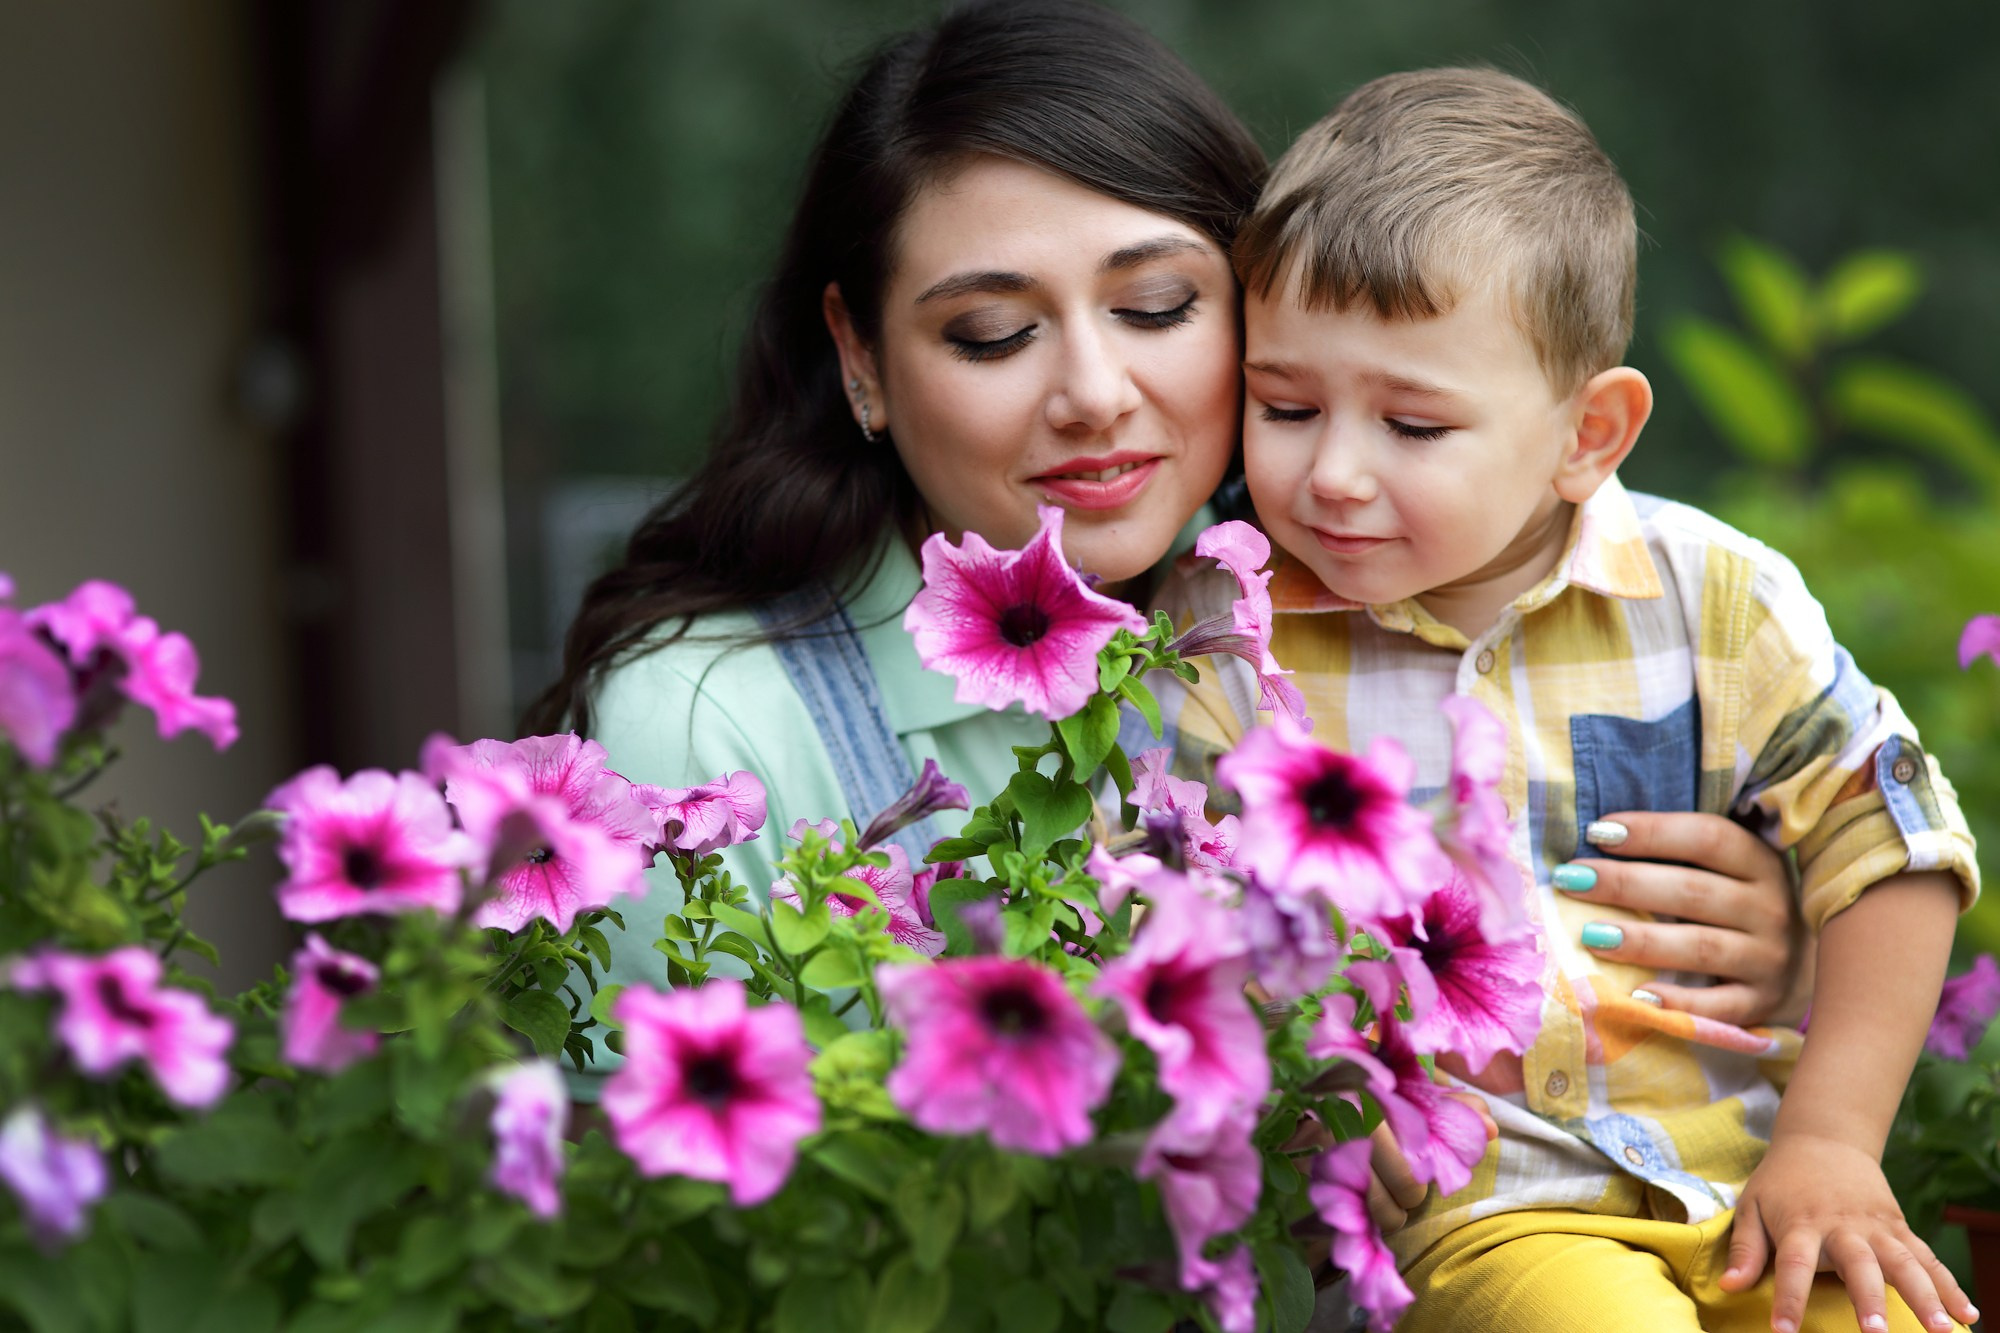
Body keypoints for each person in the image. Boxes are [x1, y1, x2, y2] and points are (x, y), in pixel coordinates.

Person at [527, 0, 1810, 1229]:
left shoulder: (1375, 593)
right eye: (990, 332)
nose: (1094, 392)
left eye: (1155, 307)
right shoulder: (701, 725)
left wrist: (1763, 940)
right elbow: (659, 1225)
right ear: (860, 358)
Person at [1159, 66, 1982, 1331]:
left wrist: (1829, 1141)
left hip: (1741, 1186)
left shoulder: (1713, 598)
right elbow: (1166, 907)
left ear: (1585, 434)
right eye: (1285, 406)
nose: (1331, 473)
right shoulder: (1229, 634)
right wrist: (1297, 1073)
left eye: (1412, 426)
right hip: (1479, 1217)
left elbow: (1893, 843)